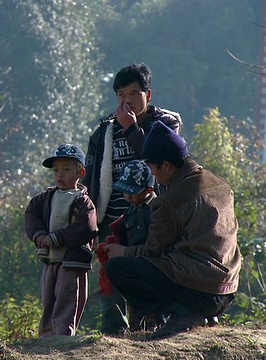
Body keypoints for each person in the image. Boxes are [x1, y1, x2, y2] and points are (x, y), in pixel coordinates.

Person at [103, 121, 242, 340]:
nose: (155, 177)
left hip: (197, 288)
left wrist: (123, 251)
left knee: (117, 268)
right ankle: (197, 313)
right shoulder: (221, 185)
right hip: (226, 290)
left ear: (166, 165)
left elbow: (152, 250)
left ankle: (181, 313)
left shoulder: (169, 201)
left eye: (153, 170)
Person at [82, 62, 182, 335]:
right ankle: (114, 334)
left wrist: (131, 129)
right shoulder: (104, 130)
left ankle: (150, 327)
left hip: (153, 217)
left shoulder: (164, 124)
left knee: (148, 269)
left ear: (148, 95)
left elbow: (160, 160)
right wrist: (90, 222)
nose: (127, 100)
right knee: (110, 274)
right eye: (121, 94)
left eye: (134, 93)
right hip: (114, 218)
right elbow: (91, 177)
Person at [25, 143, 98, 337]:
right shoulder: (45, 198)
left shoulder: (83, 201)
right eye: (56, 170)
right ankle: (47, 335)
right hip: (51, 259)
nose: (60, 174)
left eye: (66, 169)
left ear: (80, 172)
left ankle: (63, 335)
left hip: (71, 261)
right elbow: (31, 214)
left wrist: (57, 238)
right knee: (48, 297)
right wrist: (39, 235)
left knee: (67, 297)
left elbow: (87, 228)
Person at [95, 159, 156, 331]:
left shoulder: (156, 210)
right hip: (133, 263)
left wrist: (124, 251)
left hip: (151, 266)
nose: (127, 196)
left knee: (149, 316)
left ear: (148, 190)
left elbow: (156, 246)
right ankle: (117, 329)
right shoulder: (131, 210)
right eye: (125, 191)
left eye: (132, 192)